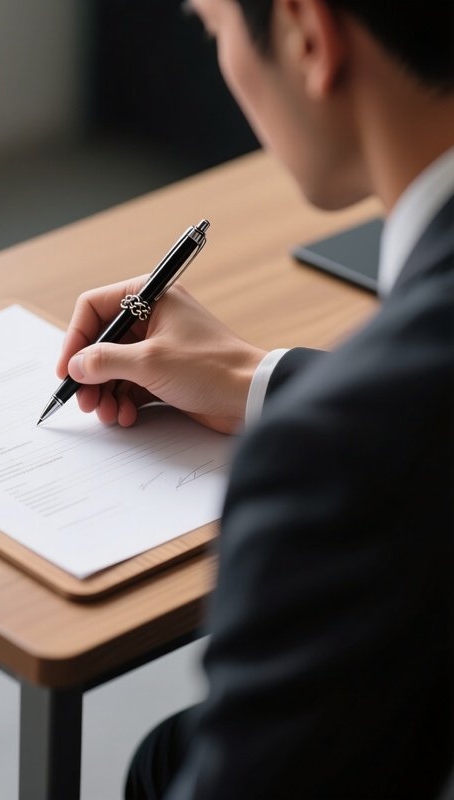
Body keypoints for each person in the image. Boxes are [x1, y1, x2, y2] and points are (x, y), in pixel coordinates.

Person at [54, 0, 454, 797]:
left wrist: (327, 419)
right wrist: (258, 379)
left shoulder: (332, 466)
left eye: (214, 28)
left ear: (309, 35)